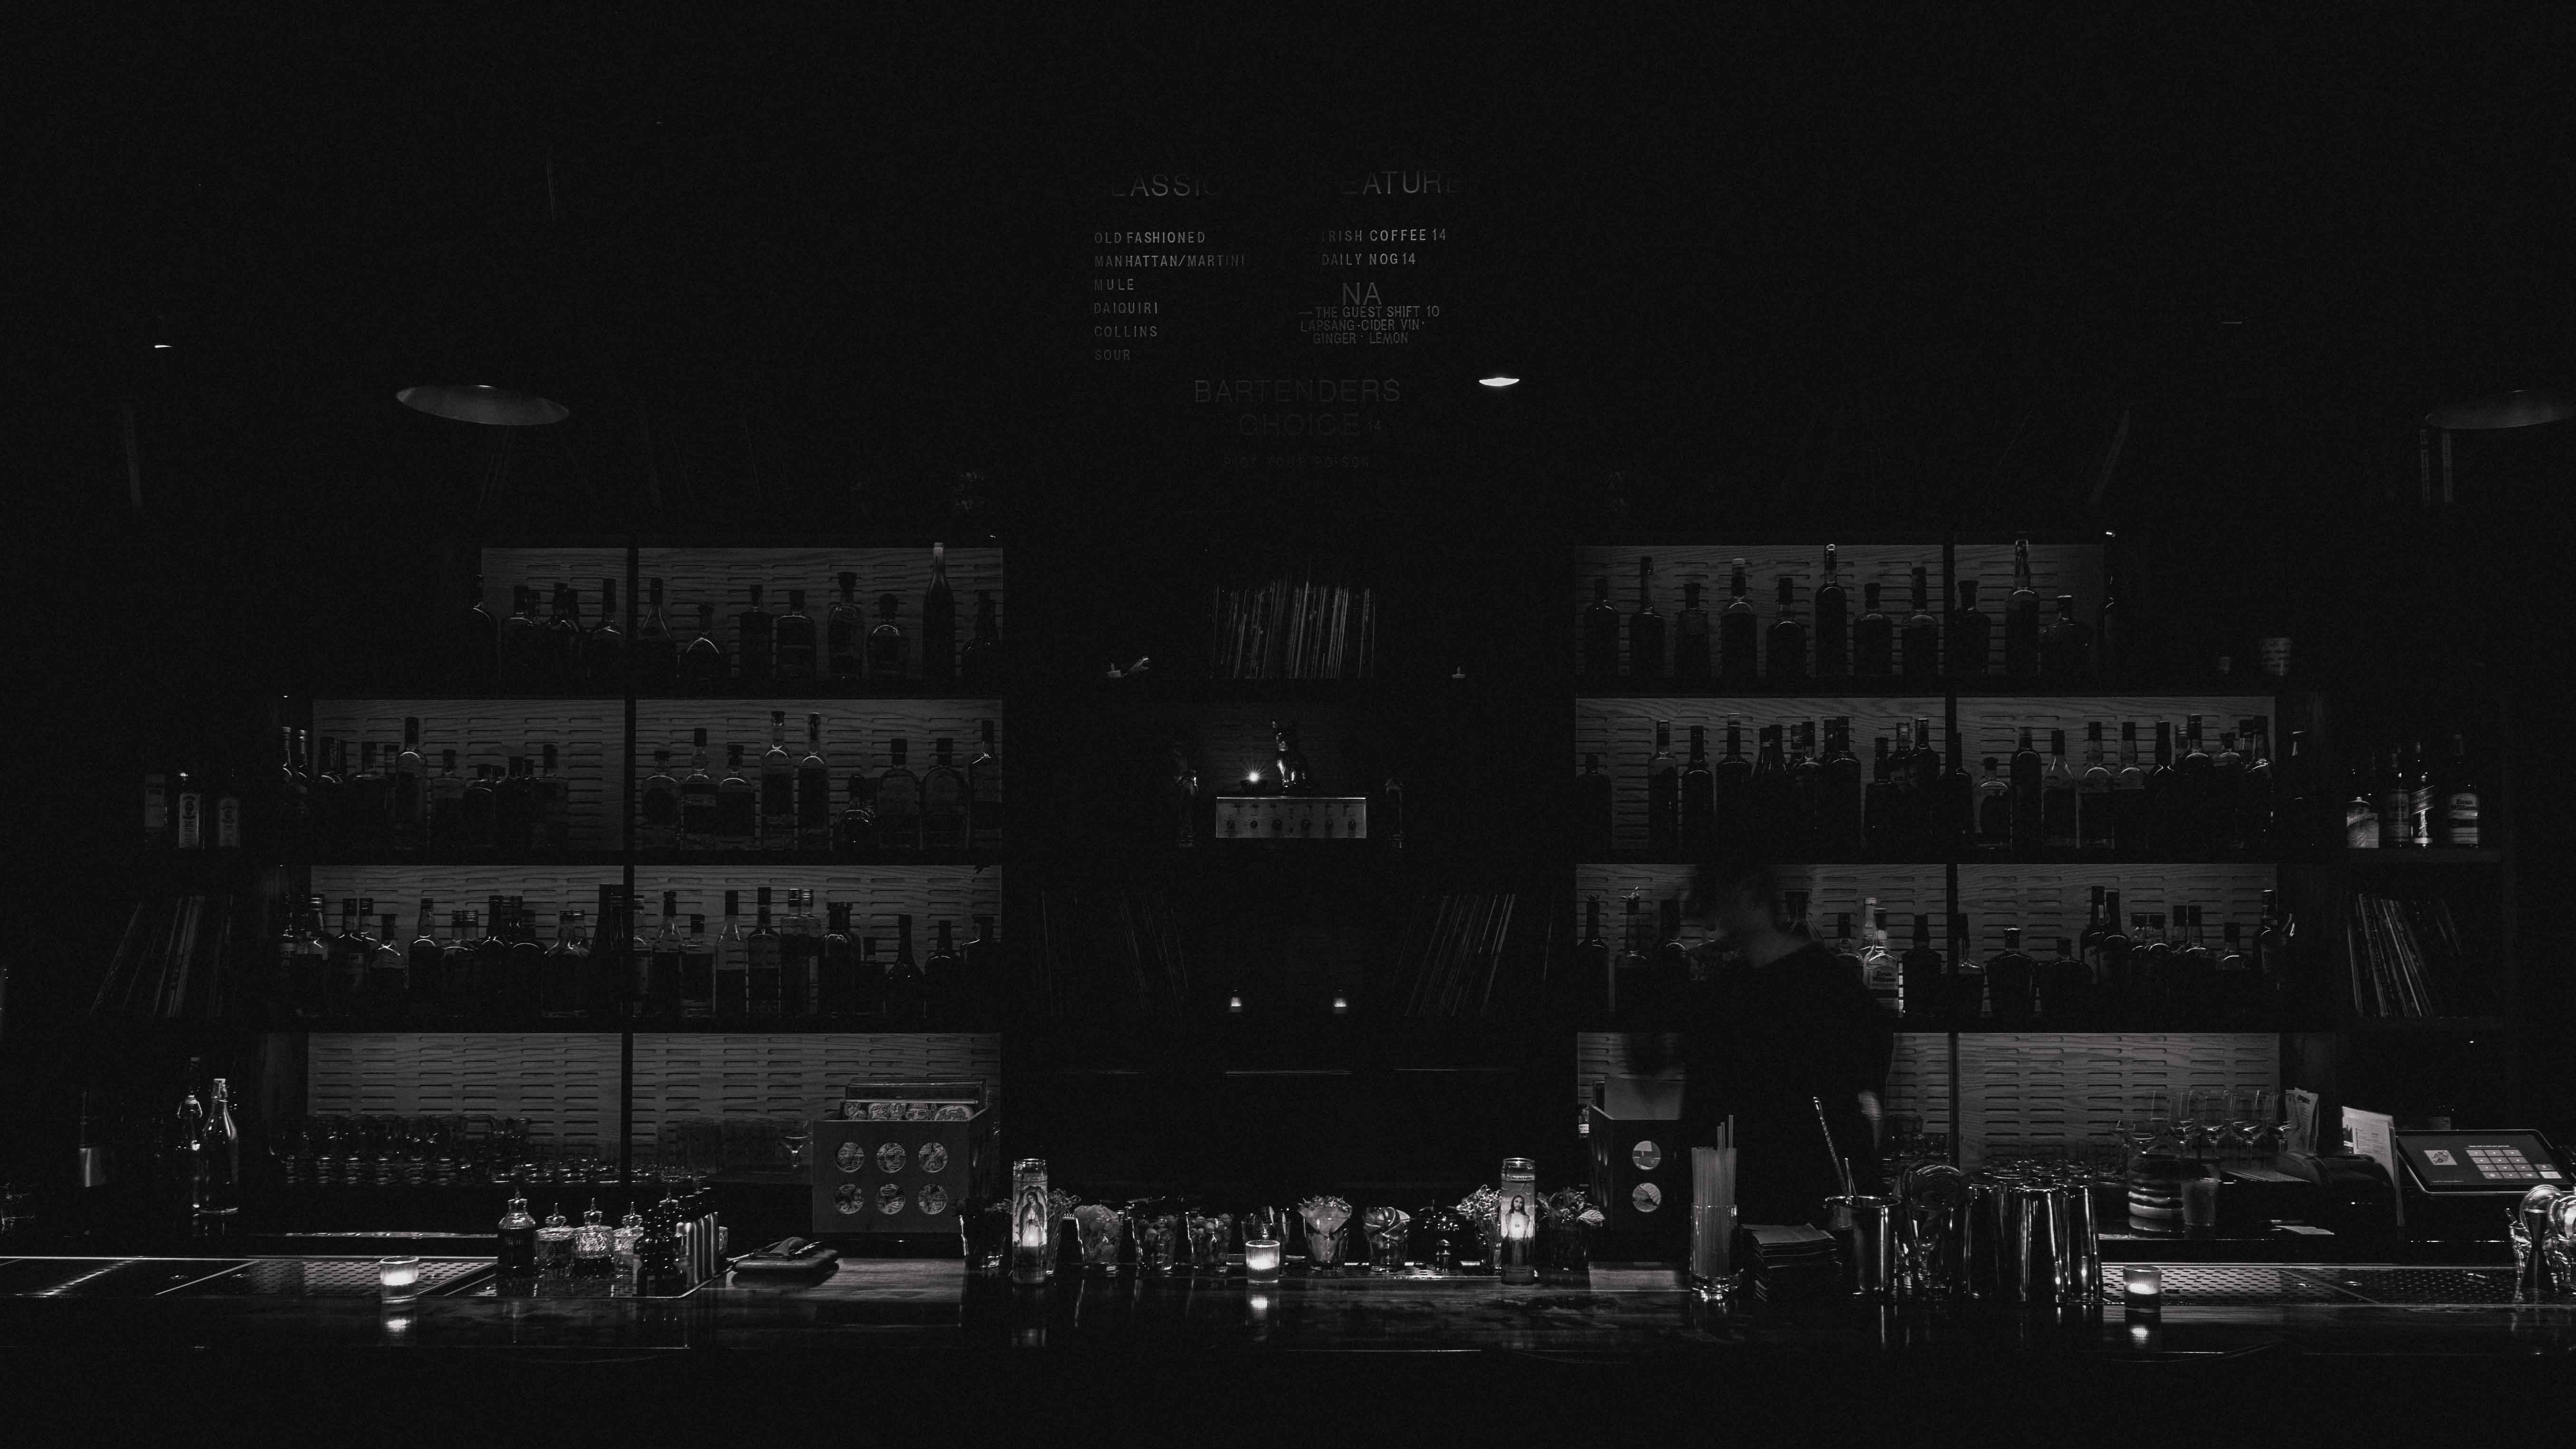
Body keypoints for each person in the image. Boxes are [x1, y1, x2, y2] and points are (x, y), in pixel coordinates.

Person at [1676, 857, 1893, 1227]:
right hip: (1755, 1197)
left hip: (1789, 1201)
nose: (1713, 921)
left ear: (1747, 896)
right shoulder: (1808, 979)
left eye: (1718, 903)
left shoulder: (1808, 984)